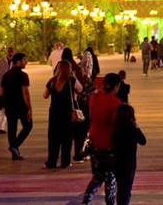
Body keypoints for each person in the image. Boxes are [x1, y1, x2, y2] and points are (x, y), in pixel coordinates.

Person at [82, 73, 122, 205]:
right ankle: (110, 202)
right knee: (110, 176)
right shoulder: (115, 102)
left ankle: (86, 200)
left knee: (98, 176)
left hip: (94, 142)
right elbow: (116, 124)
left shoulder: (94, 97)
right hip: (108, 144)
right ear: (116, 86)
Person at [43, 60, 82, 168]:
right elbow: (80, 89)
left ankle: (52, 161)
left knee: (53, 139)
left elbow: (45, 95)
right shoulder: (71, 80)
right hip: (67, 114)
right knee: (67, 139)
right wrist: (74, 76)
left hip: (55, 114)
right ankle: (65, 162)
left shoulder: (52, 81)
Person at [0, 53, 32, 160]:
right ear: (18, 61)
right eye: (24, 60)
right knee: (28, 126)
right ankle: (15, 146)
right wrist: (29, 108)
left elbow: (1, 93)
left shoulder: (6, 75)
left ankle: (14, 150)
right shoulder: (23, 76)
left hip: (9, 106)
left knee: (11, 128)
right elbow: (25, 93)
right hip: (21, 106)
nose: (26, 62)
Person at [113, 104, 146, 205]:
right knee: (127, 188)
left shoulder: (115, 128)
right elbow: (143, 141)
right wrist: (137, 128)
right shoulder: (132, 128)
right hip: (129, 162)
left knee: (120, 188)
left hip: (117, 161)